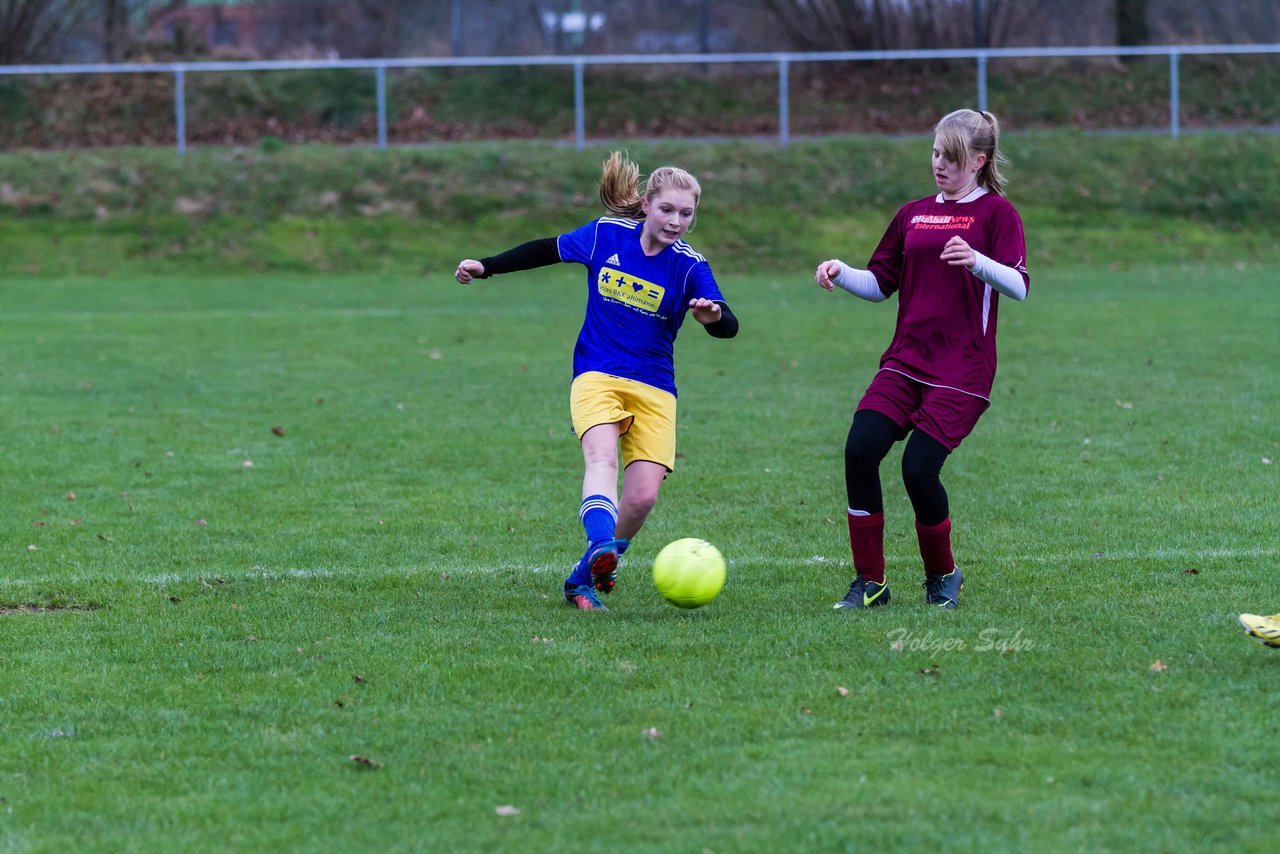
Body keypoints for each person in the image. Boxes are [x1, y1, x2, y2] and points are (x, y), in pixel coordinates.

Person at [455, 152, 739, 611]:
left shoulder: (689, 266)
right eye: (668, 209)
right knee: (601, 460)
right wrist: (487, 266)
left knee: (643, 497)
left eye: (687, 213)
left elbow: (729, 323)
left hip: (655, 386)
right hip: (597, 374)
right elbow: (548, 248)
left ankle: (582, 577)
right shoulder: (606, 234)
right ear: (646, 204)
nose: (676, 221)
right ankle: (602, 546)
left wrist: (712, 317)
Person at [814, 108, 1029, 610]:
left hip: (962, 371)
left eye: (950, 158)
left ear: (977, 161)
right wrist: (841, 271)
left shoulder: (998, 214)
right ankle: (871, 583)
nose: (939, 165)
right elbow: (880, 284)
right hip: (905, 362)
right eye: (935, 153)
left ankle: (943, 576)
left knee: (917, 469)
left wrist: (978, 262)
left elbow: (1019, 286)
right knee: (860, 450)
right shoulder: (912, 213)